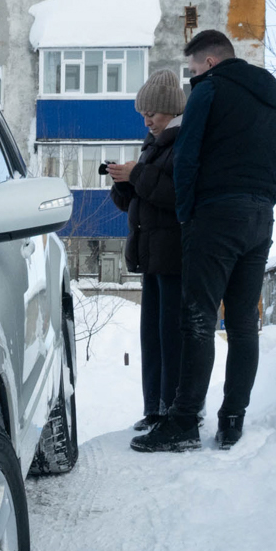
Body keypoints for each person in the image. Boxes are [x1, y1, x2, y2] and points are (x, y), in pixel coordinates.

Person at [132, 30, 276, 453]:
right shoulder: (273, 100)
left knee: (198, 319)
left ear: (211, 62)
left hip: (214, 217)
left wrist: (187, 213)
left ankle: (183, 422)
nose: (192, 77)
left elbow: (187, 155)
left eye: (193, 69)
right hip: (259, 220)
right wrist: (260, 201)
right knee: (242, 325)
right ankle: (232, 420)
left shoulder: (210, 89)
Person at [103, 70, 187, 431]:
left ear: (170, 109)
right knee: (152, 337)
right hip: (152, 256)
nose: (147, 119)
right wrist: (122, 184)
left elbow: (178, 196)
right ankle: (154, 409)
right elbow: (140, 203)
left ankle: (172, 409)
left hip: (175, 256)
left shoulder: (183, 143)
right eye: (143, 113)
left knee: (171, 339)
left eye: (152, 112)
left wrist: (137, 175)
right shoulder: (152, 145)